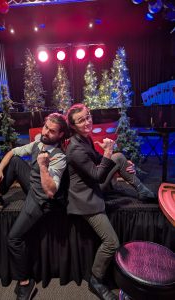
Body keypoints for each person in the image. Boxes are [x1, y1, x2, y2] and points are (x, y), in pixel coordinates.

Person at [0, 113, 68, 300]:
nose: (46, 132)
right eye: (46, 127)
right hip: (33, 185)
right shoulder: (39, 141)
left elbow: (50, 192)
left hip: (41, 200)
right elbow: (13, 152)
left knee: (13, 238)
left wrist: (43, 167)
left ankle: (25, 282)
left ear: (61, 134)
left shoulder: (59, 158)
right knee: (14, 160)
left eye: (52, 131)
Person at [65, 103, 155, 300]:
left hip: (94, 186)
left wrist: (120, 162)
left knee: (120, 157)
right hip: (85, 198)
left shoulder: (84, 138)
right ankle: (95, 280)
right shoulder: (74, 149)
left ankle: (142, 191)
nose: (88, 121)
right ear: (72, 126)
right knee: (112, 243)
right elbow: (97, 174)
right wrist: (108, 152)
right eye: (81, 120)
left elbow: (98, 159)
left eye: (88, 116)